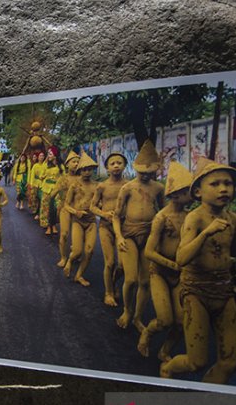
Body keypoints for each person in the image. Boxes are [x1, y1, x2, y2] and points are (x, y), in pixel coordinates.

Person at [160, 158, 236, 383]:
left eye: (228, 183)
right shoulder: (194, 218)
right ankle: (169, 368)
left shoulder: (231, 218)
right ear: (198, 192)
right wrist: (206, 233)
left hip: (224, 290)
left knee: (231, 361)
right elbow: (182, 257)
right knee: (196, 361)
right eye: (215, 184)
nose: (223, 189)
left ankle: (209, 398)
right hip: (196, 292)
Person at [138, 161, 192, 360]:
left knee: (181, 321)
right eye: (188, 191)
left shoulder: (191, 217)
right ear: (176, 194)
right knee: (164, 319)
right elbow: (149, 252)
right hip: (160, 273)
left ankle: (165, 351)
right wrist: (172, 265)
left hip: (180, 276)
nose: (193, 195)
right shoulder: (161, 217)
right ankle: (147, 333)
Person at [113, 139, 165, 331]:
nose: (144, 175)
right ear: (136, 169)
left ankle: (137, 317)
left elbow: (164, 212)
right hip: (129, 234)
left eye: (148, 172)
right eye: (141, 172)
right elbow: (116, 215)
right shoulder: (127, 188)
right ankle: (127, 310)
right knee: (131, 279)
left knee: (145, 281)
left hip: (149, 235)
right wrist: (118, 237)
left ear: (154, 171)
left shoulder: (158, 188)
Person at [90, 152, 128, 306]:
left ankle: (113, 282)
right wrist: (104, 214)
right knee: (110, 262)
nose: (116, 165)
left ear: (125, 165)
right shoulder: (102, 186)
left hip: (125, 227)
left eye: (119, 162)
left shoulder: (128, 186)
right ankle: (109, 293)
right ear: (107, 168)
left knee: (122, 265)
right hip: (106, 226)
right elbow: (92, 206)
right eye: (112, 163)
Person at [62, 152, 99, 287]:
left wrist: (102, 211)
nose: (87, 172)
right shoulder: (75, 185)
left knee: (89, 251)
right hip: (78, 221)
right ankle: (70, 261)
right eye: (84, 169)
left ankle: (79, 275)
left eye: (90, 169)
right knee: (77, 251)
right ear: (80, 171)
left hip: (91, 222)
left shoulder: (96, 186)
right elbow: (66, 204)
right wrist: (75, 212)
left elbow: (99, 203)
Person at [56, 151, 80, 267]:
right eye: (73, 162)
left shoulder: (81, 179)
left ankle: (76, 253)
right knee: (64, 233)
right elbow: (52, 194)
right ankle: (63, 257)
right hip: (64, 208)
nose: (76, 164)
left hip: (78, 209)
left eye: (77, 162)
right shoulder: (63, 179)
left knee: (78, 235)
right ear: (67, 164)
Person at [39, 146, 63, 235]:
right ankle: (49, 226)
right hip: (46, 189)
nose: (48, 155)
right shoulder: (46, 165)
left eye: (50, 153)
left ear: (55, 155)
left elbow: (64, 178)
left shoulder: (61, 166)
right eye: (48, 153)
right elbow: (41, 176)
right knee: (46, 208)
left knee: (57, 208)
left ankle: (54, 225)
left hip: (57, 190)